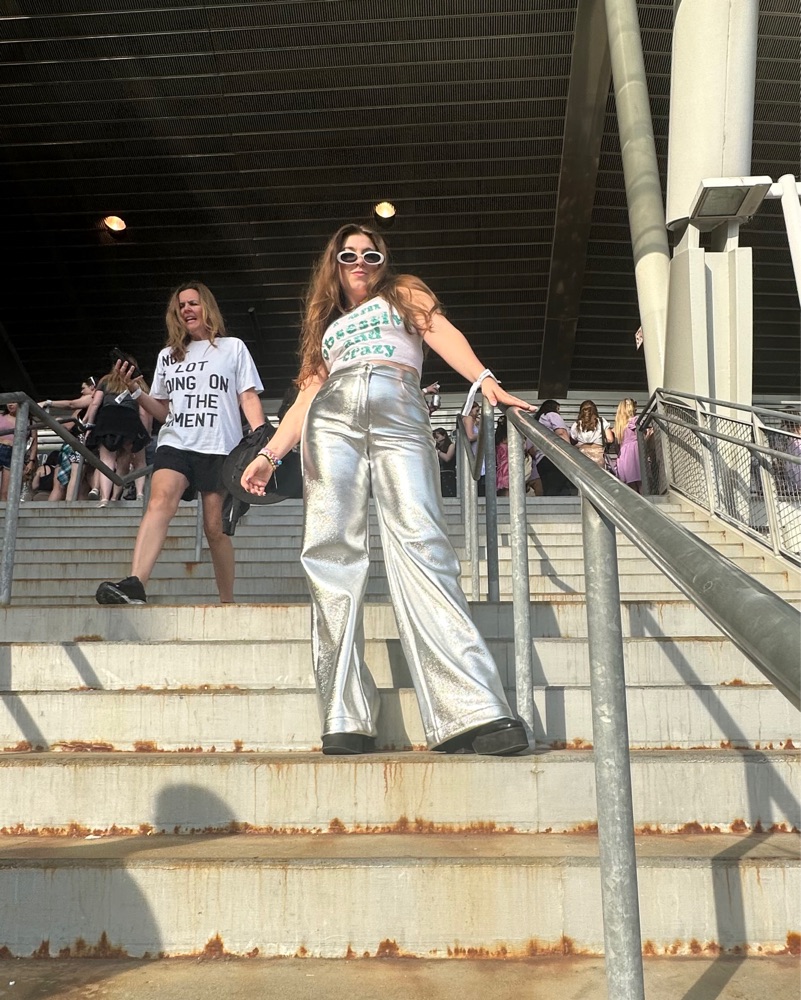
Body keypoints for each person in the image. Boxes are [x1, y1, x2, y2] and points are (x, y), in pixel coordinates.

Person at [241, 223, 534, 757]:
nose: (360, 262)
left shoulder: (403, 292)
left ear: (383, 262)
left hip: (399, 404)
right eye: (348, 255)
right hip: (331, 417)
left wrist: (484, 380)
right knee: (329, 553)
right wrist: (269, 454)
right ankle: (342, 714)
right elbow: (307, 395)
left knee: (423, 542)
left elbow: (439, 330)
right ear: (334, 264)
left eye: (370, 255)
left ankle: (471, 708)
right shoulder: (327, 327)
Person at [95, 281, 265, 605]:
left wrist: (263, 443)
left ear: (207, 307)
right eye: (181, 305)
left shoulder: (233, 348)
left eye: (193, 303)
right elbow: (163, 411)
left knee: (215, 530)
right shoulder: (168, 356)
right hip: (176, 441)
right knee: (160, 501)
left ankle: (227, 602)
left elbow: (247, 397)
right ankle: (135, 583)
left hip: (219, 446)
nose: (187, 309)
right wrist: (135, 390)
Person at [83, 359, 151, 507]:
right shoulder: (138, 383)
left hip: (108, 418)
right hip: (130, 418)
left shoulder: (106, 380)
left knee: (106, 460)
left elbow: (95, 403)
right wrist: (144, 434)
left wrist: (89, 425)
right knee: (138, 460)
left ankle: (104, 498)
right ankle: (140, 494)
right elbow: (144, 411)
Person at [41, 378, 97, 501]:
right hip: (74, 443)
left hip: (82, 443)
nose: (81, 392)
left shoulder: (92, 398)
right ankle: (68, 506)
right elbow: (69, 426)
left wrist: (48, 402)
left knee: (76, 479)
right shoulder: (81, 408)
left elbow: (71, 404)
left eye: (83, 388)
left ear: (92, 387)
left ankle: (70, 505)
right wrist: (56, 422)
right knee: (73, 481)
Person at [531, 399, 574, 495]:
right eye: (558, 409)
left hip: (541, 459)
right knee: (558, 489)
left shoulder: (538, 421)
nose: (559, 412)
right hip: (554, 457)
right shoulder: (552, 415)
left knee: (548, 489)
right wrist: (570, 453)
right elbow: (561, 433)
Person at [569, 399, 614, 469]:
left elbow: (573, 438)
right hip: (598, 455)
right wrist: (600, 440)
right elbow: (610, 439)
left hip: (582, 455)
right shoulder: (602, 421)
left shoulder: (576, 424)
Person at [615, 397, 644, 492]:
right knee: (641, 482)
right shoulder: (635, 420)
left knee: (631, 484)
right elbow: (641, 436)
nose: (636, 409)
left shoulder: (619, 425)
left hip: (624, 454)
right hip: (635, 452)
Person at [433, 426, 457, 497]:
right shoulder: (437, 447)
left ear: (444, 436)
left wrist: (438, 451)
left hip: (448, 474)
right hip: (438, 475)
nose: (436, 440)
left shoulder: (451, 446)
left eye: (437, 437)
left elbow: (447, 458)